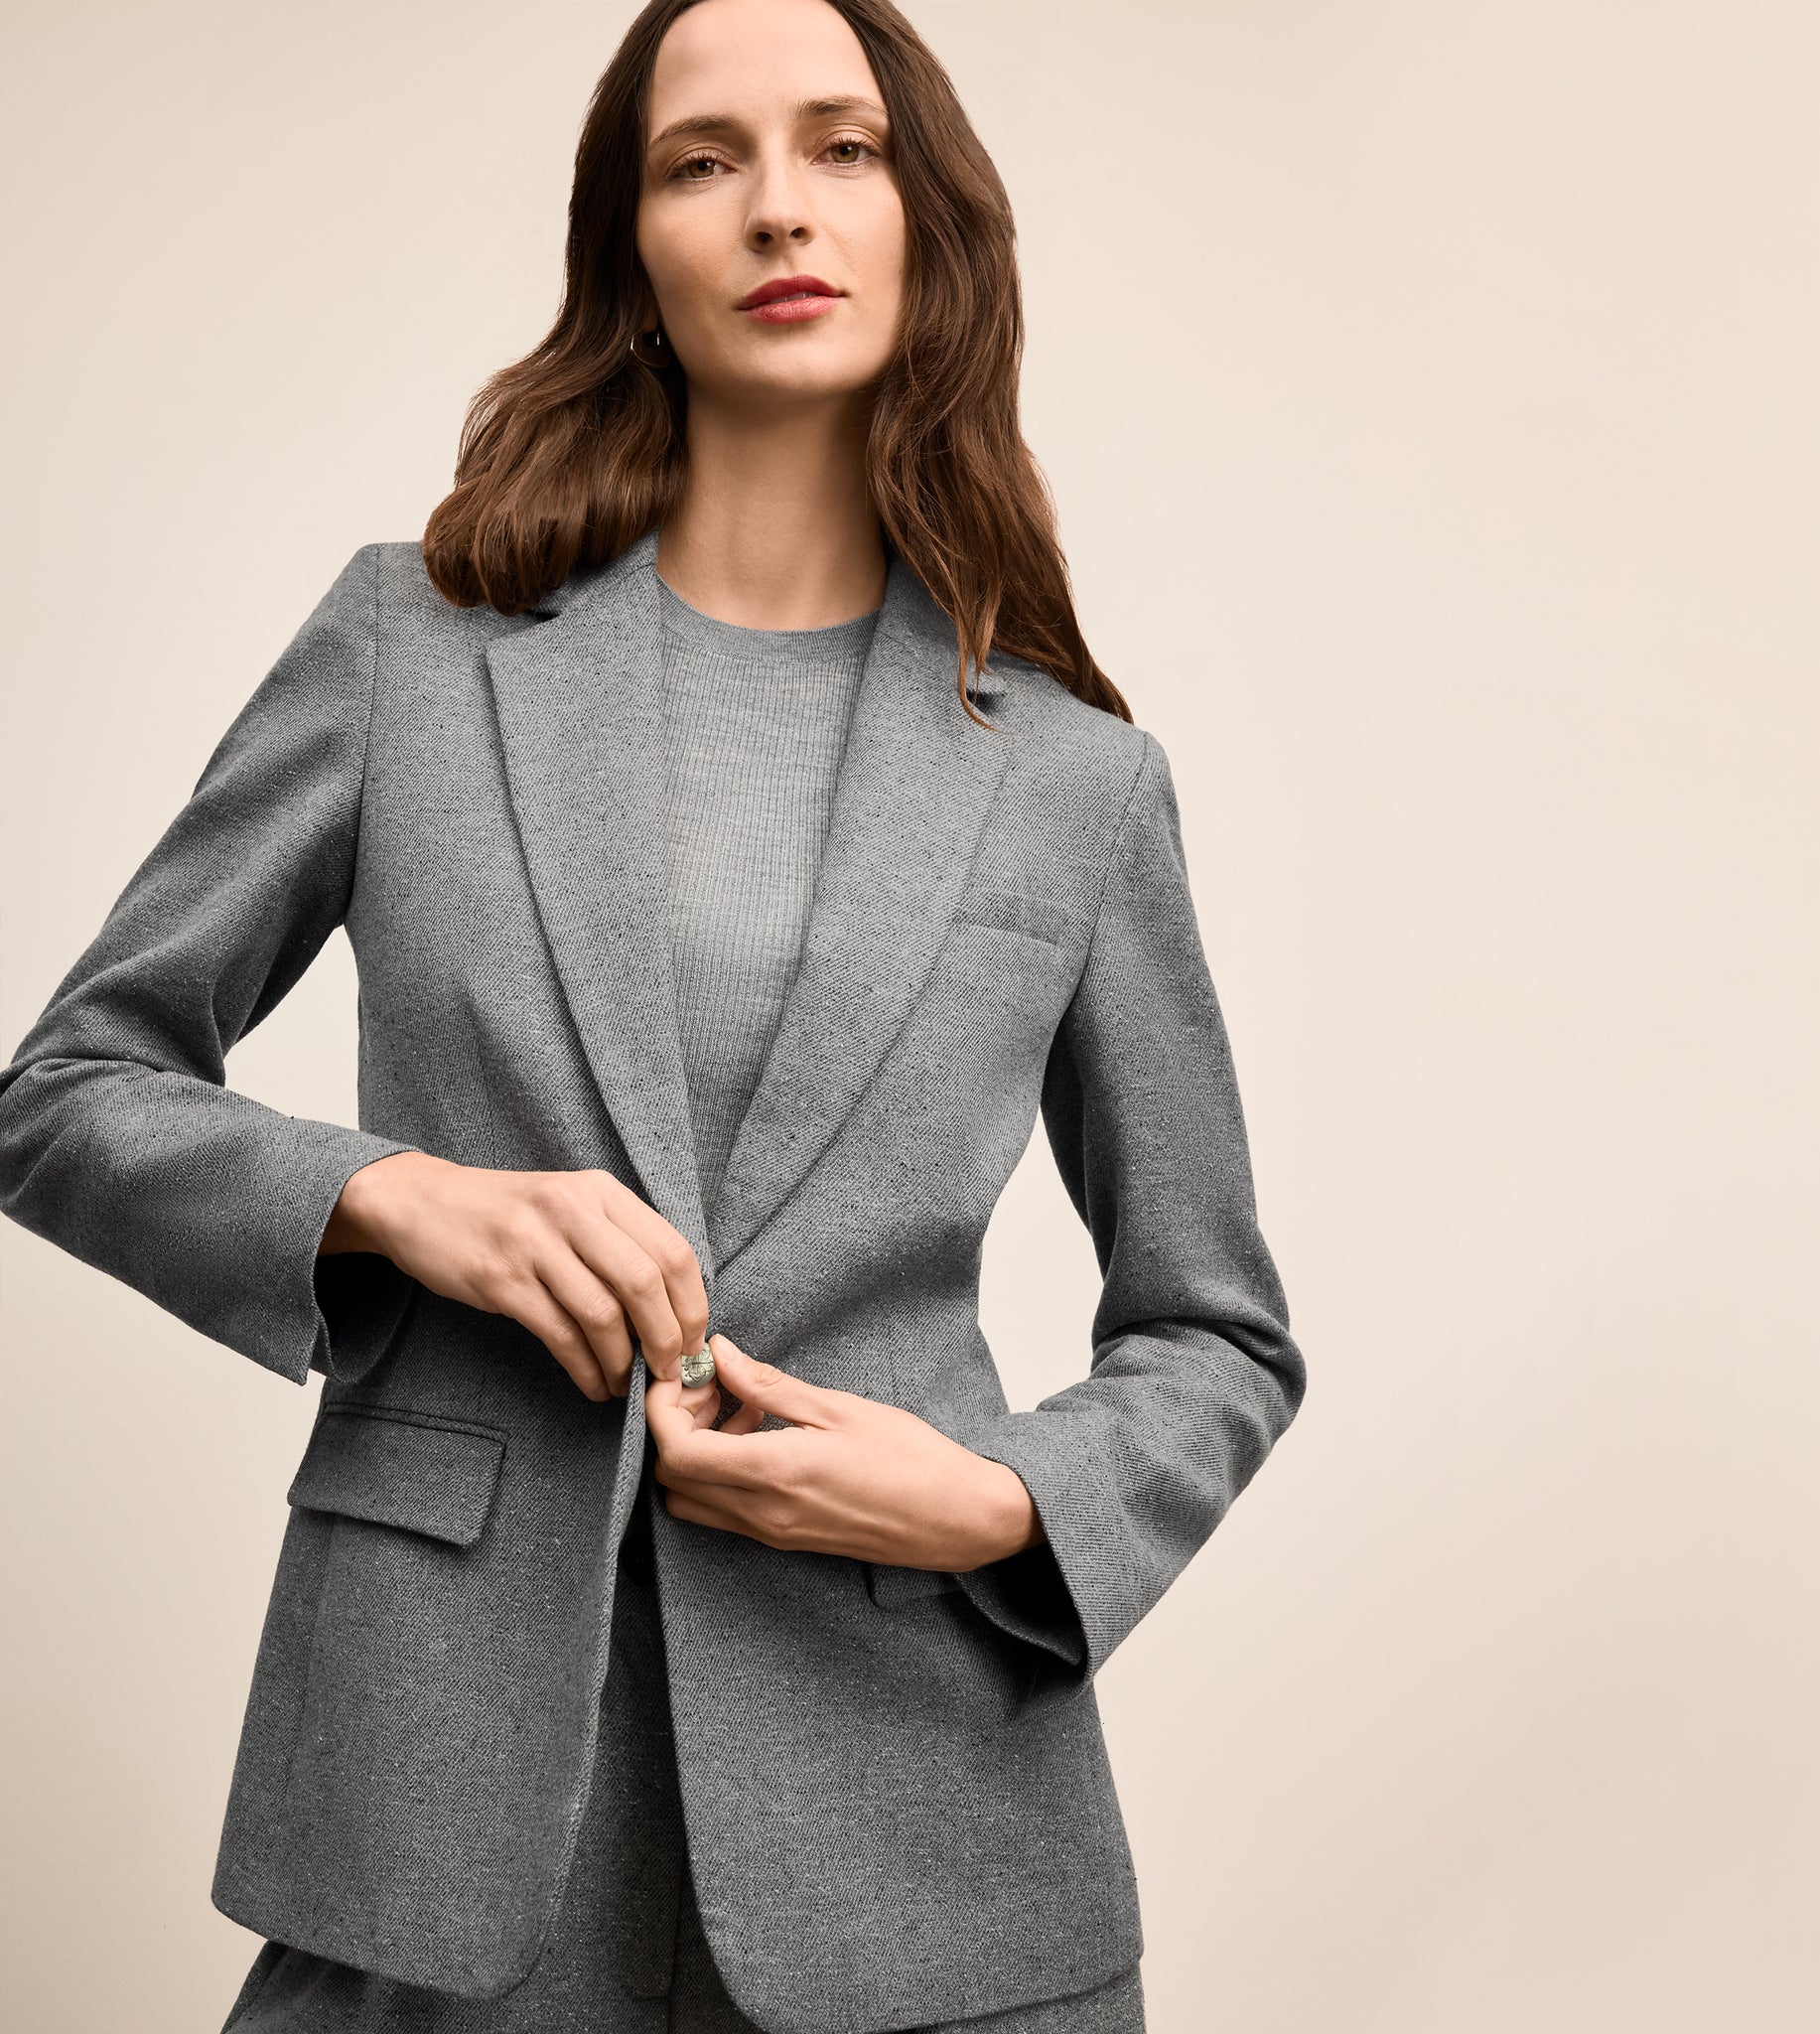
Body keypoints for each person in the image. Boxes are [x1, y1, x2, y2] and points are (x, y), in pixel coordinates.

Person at [0, 0, 1306, 2027]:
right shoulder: (412, 651)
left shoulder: (1075, 781)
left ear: (930, 223)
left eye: (842, 147)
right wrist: (401, 1200)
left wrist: (1000, 1502)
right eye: (704, 160)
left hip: (925, 1810)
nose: (778, 205)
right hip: (438, 1809)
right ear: (631, 247)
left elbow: (1217, 1330)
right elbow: (66, 1090)